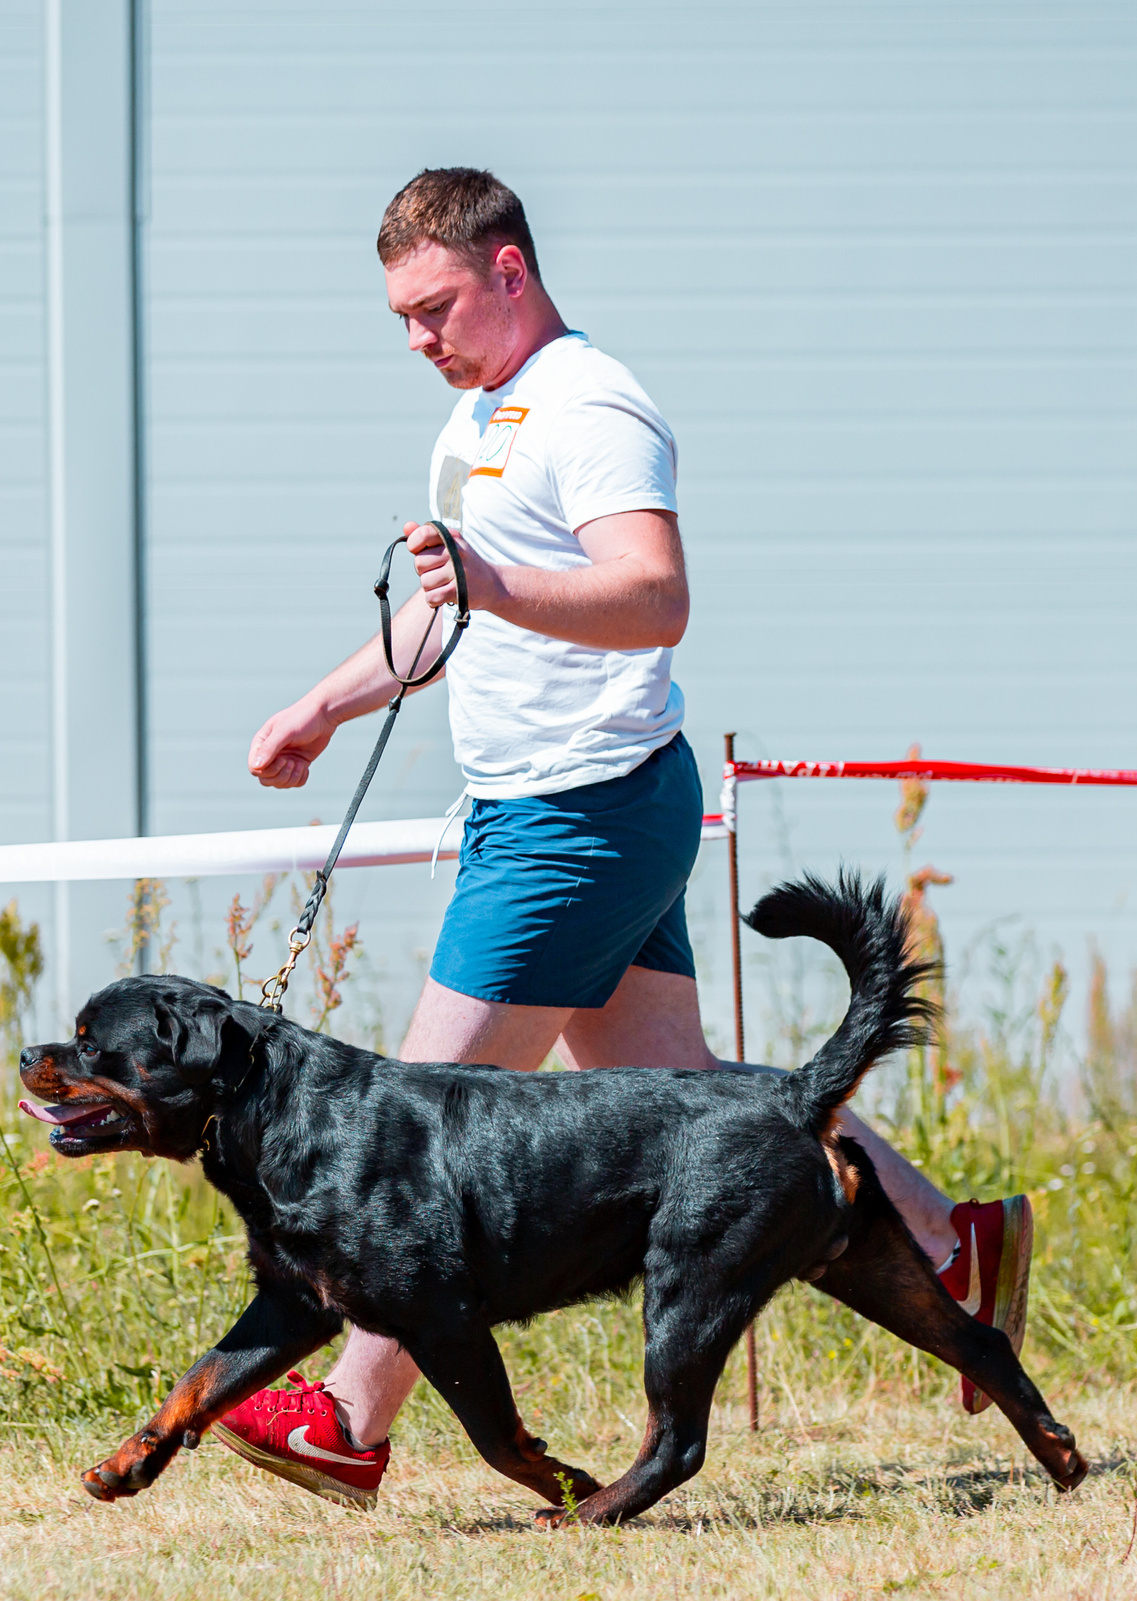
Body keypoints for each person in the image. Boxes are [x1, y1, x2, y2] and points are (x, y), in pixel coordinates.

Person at [214, 168, 1033, 1509]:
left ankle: (349, 1417)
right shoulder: (480, 416)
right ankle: (953, 1235)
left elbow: (654, 597)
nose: (418, 338)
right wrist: (322, 699)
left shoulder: (592, 406)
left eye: (435, 307)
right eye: (399, 319)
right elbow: (454, 615)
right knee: (703, 1091)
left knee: (415, 1131)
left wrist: (491, 582)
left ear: (510, 269)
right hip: (560, 802)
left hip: (577, 812)